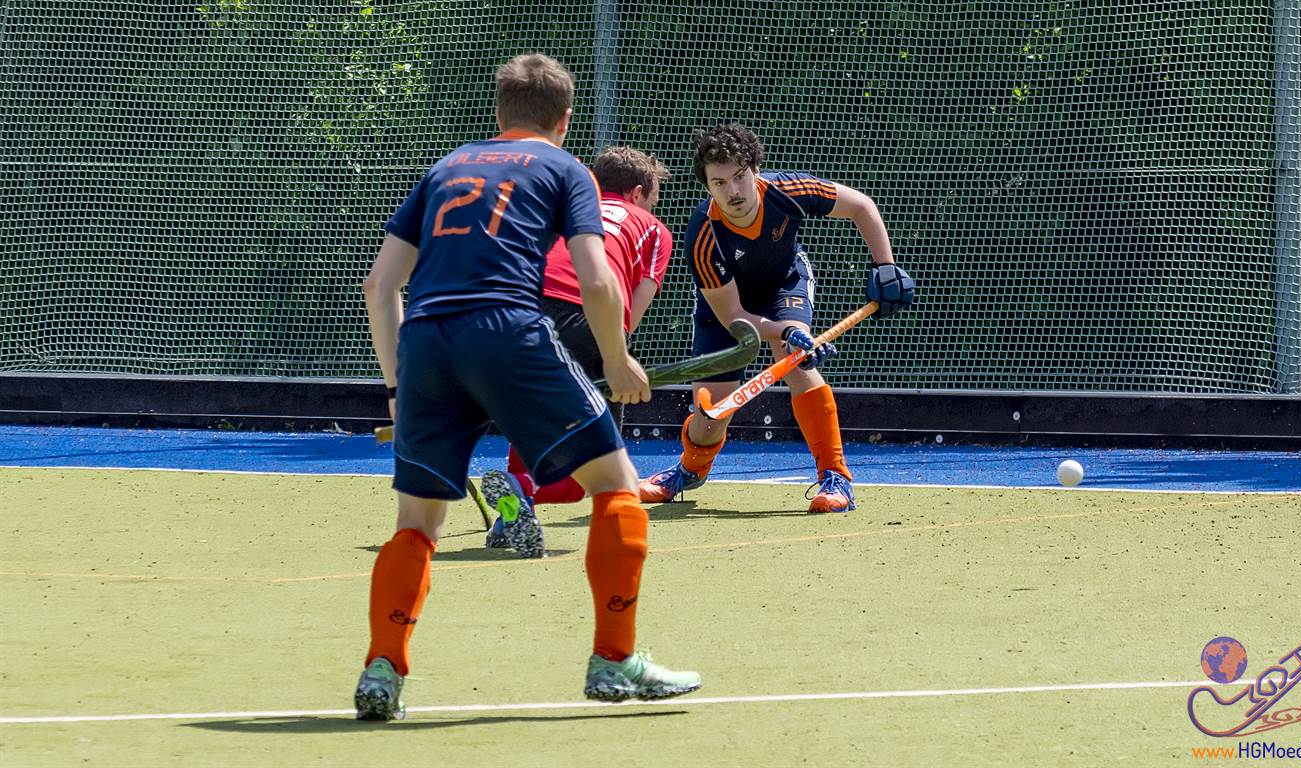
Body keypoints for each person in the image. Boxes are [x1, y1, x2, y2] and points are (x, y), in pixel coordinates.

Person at [355, 53, 701, 721]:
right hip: (511, 328)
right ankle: (614, 659)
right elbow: (597, 280)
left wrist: (398, 388)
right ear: (564, 120)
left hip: (425, 341)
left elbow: (380, 285)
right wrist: (617, 358)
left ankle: (382, 669)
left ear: (498, 113)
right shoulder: (566, 169)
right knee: (615, 485)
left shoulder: (446, 167)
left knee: (417, 524)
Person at [638, 122, 915, 513]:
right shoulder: (703, 235)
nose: (733, 192)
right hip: (727, 308)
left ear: (755, 169)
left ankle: (835, 478)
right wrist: (784, 330)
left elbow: (861, 206)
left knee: (797, 361)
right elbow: (734, 316)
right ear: (707, 187)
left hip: (786, 284)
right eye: (720, 183)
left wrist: (885, 266)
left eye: (740, 177)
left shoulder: (789, 190)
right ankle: (689, 468)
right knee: (711, 415)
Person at [480, 146, 673, 546]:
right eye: (653, 199)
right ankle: (600, 526)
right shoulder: (654, 229)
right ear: (638, 193)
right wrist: (617, 361)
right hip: (587, 316)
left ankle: (514, 510)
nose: (653, 207)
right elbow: (632, 313)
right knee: (595, 465)